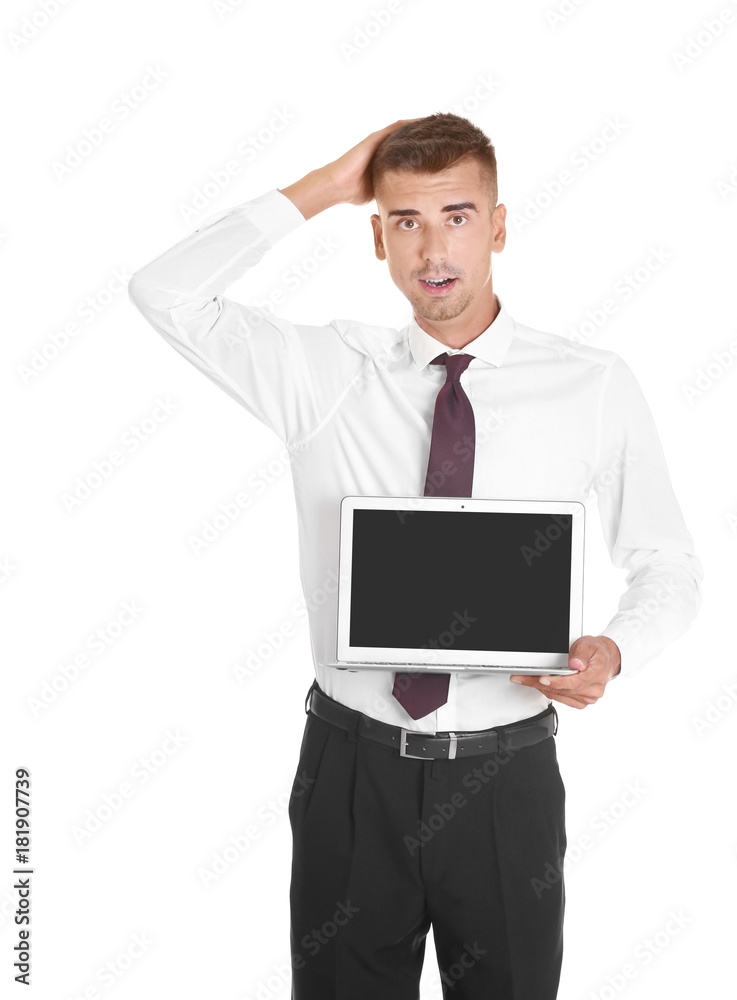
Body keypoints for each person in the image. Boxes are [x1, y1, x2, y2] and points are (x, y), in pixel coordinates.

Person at [128, 113, 703, 1000]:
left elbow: (667, 562)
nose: (433, 248)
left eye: (459, 216)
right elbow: (164, 293)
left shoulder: (591, 385)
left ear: (500, 227)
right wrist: (324, 183)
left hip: (508, 776)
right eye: (406, 220)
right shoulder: (324, 373)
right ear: (378, 235)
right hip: (352, 776)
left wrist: (616, 649)